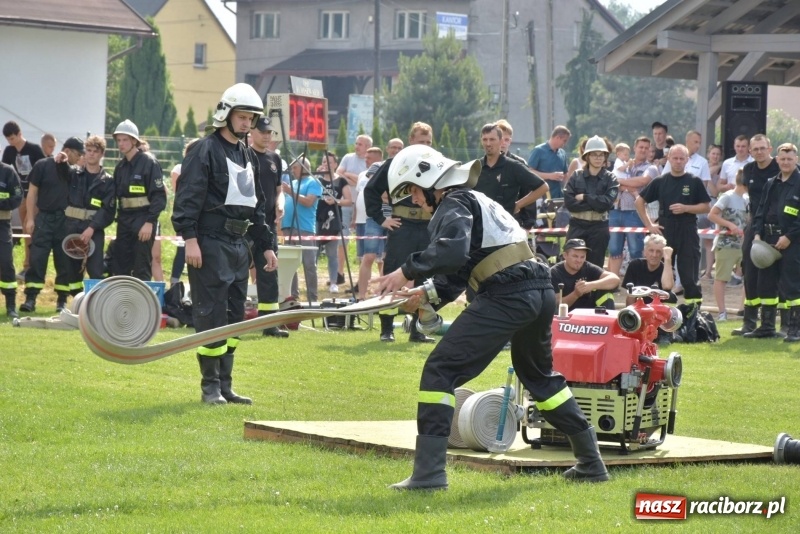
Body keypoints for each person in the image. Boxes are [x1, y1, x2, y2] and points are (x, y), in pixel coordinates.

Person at [376, 146, 608, 490]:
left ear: (430, 182)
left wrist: (405, 271)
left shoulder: (453, 202)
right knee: (540, 377)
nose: (415, 200)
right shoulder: (479, 201)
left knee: (440, 370)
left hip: (507, 294)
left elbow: (452, 252)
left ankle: (429, 474)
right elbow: (460, 270)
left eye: (414, 190)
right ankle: (591, 462)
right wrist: (425, 294)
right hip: (539, 289)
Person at [172, 82, 278, 404]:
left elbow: (257, 205)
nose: (247, 124)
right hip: (209, 244)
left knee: (234, 317)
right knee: (211, 315)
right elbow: (187, 198)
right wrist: (190, 239)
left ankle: (226, 386)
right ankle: (210, 388)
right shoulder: (204, 150)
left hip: (238, 245)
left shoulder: (246, 154)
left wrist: (265, 245)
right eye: (242, 117)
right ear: (226, 115)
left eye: (251, 118)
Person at [364, 122, 437, 343]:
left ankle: (417, 330)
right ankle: (386, 329)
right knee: (392, 275)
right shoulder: (395, 163)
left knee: (425, 278)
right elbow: (371, 190)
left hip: (427, 228)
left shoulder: (436, 164)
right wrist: (381, 219)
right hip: (401, 226)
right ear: (411, 140)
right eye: (421, 141)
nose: (425, 146)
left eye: (428, 142)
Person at [635, 145, 711, 310]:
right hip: (665, 229)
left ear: (687, 160)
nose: (678, 161)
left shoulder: (694, 181)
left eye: (681, 158)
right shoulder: (660, 181)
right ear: (668, 158)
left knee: (689, 276)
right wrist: (649, 225)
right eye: (675, 158)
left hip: (687, 229)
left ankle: (693, 313)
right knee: (661, 273)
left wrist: (686, 208)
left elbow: (706, 207)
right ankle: (662, 311)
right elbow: (639, 201)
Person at [20, 137, 85, 313]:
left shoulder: (74, 171)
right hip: (44, 219)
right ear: (68, 151)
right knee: (37, 259)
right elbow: (32, 193)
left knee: (63, 261)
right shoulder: (42, 165)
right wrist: (30, 219)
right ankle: (31, 299)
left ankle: (61, 301)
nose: (79, 158)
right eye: (78, 154)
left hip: (65, 220)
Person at [748, 143, 800, 341]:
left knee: (792, 285)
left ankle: (795, 329)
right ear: (777, 160)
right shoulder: (771, 183)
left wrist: (789, 237)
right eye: (783, 159)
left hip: (792, 241)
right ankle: (767, 326)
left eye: (789, 159)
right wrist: (757, 234)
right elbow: (760, 210)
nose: (786, 162)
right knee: (766, 283)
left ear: (796, 160)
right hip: (767, 240)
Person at [735, 134, 780, 336]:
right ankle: (749, 323)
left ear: (770, 148)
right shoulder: (748, 169)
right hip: (754, 224)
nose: (759, 152)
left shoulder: (780, 167)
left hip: (776, 225)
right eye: (755, 149)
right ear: (750, 151)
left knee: (772, 274)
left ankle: (774, 324)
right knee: (749, 270)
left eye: (763, 148)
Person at [55, 135, 115, 284]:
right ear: (85, 153)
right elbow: (62, 172)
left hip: (94, 230)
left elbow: (107, 210)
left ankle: (96, 299)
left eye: (95, 151)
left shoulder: (108, 181)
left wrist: (92, 228)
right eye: (89, 150)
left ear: (102, 154)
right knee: (72, 271)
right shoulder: (74, 174)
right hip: (71, 227)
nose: (91, 154)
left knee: (95, 271)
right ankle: (76, 297)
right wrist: (61, 160)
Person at [111, 119, 166, 281]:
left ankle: (142, 298)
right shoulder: (120, 167)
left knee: (141, 266)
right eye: (118, 140)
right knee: (121, 267)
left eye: (125, 140)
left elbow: (159, 196)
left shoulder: (149, 163)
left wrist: (150, 222)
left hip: (143, 219)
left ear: (134, 141)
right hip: (124, 220)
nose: (121, 144)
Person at [249, 116, 289, 338]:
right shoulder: (244, 155)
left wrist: (280, 204)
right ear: (251, 132)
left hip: (268, 225)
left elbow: (278, 190)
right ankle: (229, 321)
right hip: (246, 224)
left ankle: (269, 324)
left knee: (269, 272)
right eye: (262, 132)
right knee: (236, 272)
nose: (266, 136)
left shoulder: (275, 158)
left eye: (269, 132)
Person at [563, 135, 619, 268]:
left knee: (595, 267)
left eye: (601, 155)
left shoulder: (611, 179)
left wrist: (585, 197)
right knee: (572, 265)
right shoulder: (576, 176)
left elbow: (606, 204)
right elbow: (570, 203)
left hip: (599, 227)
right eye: (594, 154)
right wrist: (596, 203)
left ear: (605, 157)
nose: (598, 158)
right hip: (577, 225)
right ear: (587, 156)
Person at [607, 136, 659, 278]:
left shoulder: (651, 168)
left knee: (636, 250)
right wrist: (626, 185)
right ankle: (613, 282)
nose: (643, 150)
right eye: (641, 147)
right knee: (614, 249)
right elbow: (611, 183)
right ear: (634, 148)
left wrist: (619, 181)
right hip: (616, 209)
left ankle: (639, 282)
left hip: (635, 212)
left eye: (646, 148)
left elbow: (642, 181)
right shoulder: (622, 164)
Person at [473, 123, 547, 219]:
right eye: (485, 139)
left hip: (505, 224)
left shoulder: (513, 166)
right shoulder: (475, 167)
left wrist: (518, 205)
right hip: (480, 224)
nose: (488, 144)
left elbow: (543, 187)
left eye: (492, 139)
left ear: (501, 141)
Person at [2, 121, 46, 278]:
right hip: (21, 195)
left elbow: (44, 169)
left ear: (20, 134)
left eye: (12, 138)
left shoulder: (34, 149)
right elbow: (4, 171)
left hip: (35, 195)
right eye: (8, 139)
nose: (11, 142)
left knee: (31, 228)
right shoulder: (9, 151)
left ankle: (31, 266)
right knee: (26, 230)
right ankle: (27, 266)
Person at [707, 169, 748, 322]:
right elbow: (712, 214)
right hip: (726, 243)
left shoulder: (746, 199)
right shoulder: (727, 196)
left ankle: (744, 308)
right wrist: (729, 225)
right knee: (721, 278)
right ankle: (722, 312)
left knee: (748, 277)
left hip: (742, 244)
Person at [281, 156, 322, 304]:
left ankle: (312, 297)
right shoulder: (292, 183)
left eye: (295, 167)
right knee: (288, 264)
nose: (292, 171)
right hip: (287, 227)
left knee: (309, 264)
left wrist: (290, 191)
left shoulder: (313, 182)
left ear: (304, 168)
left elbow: (309, 202)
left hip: (304, 228)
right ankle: (291, 296)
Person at [335, 134, 372, 285]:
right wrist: (355, 179)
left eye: (360, 144)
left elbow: (366, 180)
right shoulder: (348, 157)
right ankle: (339, 273)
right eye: (356, 143)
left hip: (362, 207)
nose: (356, 146)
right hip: (346, 204)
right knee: (342, 239)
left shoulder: (370, 162)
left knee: (362, 241)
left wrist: (348, 175)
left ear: (368, 147)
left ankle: (361, 279)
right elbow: (338, 174)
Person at [316, 151, 354, 295]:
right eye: (324, 162)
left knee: (332, 253)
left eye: (329, 162)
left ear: (335, 165)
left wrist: (336, 201)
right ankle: (313, 281)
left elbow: (349, 200)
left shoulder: (341, 181)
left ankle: (333, 282)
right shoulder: (317, 180)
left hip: (333, 220)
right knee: (314, 252)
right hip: (317, 219)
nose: (326, 164)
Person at [549, 239, 619, 311]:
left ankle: (607, 317)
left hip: (590, 313)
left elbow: (615, 279)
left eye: (582, 257)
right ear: (565, 255)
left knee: (606, 291)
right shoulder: (554, 273)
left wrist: (590, 285)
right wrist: (575, 294)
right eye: (575, 256)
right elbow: (555, 304)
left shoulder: (587, 267)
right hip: (566, 315)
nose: (579, 260)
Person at [351, 148, 383, 300]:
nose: (366, 160)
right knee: (365, 257)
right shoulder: (362, 175)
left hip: (378, 218)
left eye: (369, 158)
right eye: (365, 157)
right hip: (362, 220)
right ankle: (362, 295)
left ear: (378, 158)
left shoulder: (383, 170)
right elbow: (359, 195)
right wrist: (354, 218)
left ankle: (382, 292)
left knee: (382, 258)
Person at [168, 138, 201, 286]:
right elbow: (179, 193)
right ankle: (174, 283)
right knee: (182, 251)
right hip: (184, 216)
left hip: (201, 220)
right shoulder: (179, 169)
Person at [623, 235, 675, 304]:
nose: (654, 255)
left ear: (663, 254)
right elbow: (630, 294)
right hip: (638, 305)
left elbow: (667, 287)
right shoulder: (635, 265)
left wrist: (668, 259)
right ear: (645, 251)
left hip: (658, 306)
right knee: (631, 293)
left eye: (658, 251)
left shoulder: (666, 269)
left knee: (671, 296)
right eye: (651, 250)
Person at [0, 160, 23, 318]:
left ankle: (11, 305)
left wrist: (1, 203)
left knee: (6, 261)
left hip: (2, 224)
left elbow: (18, 196)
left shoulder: (8, 171)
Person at [527, 125, 570, 198]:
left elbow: (565, 175)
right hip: (541, 197)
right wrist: (550, 176)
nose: (565, 144)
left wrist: (567, 191)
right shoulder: (538, 151)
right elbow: (529, 172)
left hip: (559, 197)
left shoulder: (562, 153)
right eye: (564, 141)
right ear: (557, 137)